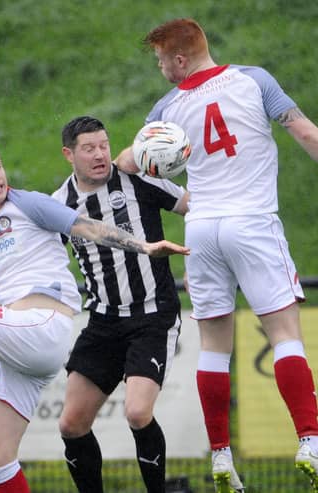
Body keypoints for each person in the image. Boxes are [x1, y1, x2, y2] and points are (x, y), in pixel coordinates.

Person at [0, 139, 189, 493]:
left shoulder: (29, 204)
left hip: (42, 329)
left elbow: (89, 227)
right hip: (16, 345)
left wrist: (143, 246)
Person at [114, 18, 318, 492]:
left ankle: (222, 458)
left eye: (162, 60)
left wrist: (137, 155)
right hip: (253, 223)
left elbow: (132, 162)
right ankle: (310, 440)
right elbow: (306, 133)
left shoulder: (167, 108)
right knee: (285, 334)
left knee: (214, 347)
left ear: (180, 60)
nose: (161, 67)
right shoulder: (255, 80)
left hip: (201, 229)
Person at [51, 116, 188, 493]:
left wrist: (201, 261)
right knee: (71, 424)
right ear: (69, 154)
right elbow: (41, 259)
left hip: (152, 317)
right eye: (89, 148)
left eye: (104, 145)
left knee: (138, 412)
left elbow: (196, 207)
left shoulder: (138, 177)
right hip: (103, 323)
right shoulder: (60, 205)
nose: (100, 155)